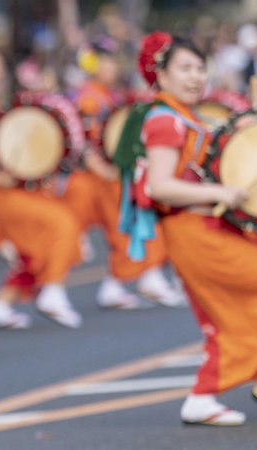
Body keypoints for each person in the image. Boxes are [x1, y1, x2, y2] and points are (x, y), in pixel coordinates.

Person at [122, 32, 257, 425]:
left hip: (206, 225)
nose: (194, 76)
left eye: (199, 68)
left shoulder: (185, 117)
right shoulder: (164, 120)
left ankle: (211, 393)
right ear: (162, 76)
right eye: (184, 68)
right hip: (192, 230)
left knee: (240, 310)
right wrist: (221, 190)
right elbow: (160, 185)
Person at [0, 49, 85, 330]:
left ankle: (1, 306)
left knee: (35, 246)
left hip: (11, 188)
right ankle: (53, 290)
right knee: (60, 224)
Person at [63, 47, 182, 310]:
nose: (112, 68)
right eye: (106, 63)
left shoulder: (107, 94)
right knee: (128, 227)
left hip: (115, 174)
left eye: (113, 63)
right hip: (102, 178)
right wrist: (102, 169)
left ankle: (124, 282)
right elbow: (84, 140)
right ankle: (137, 279)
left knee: (136, 224)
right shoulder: (90, 97)